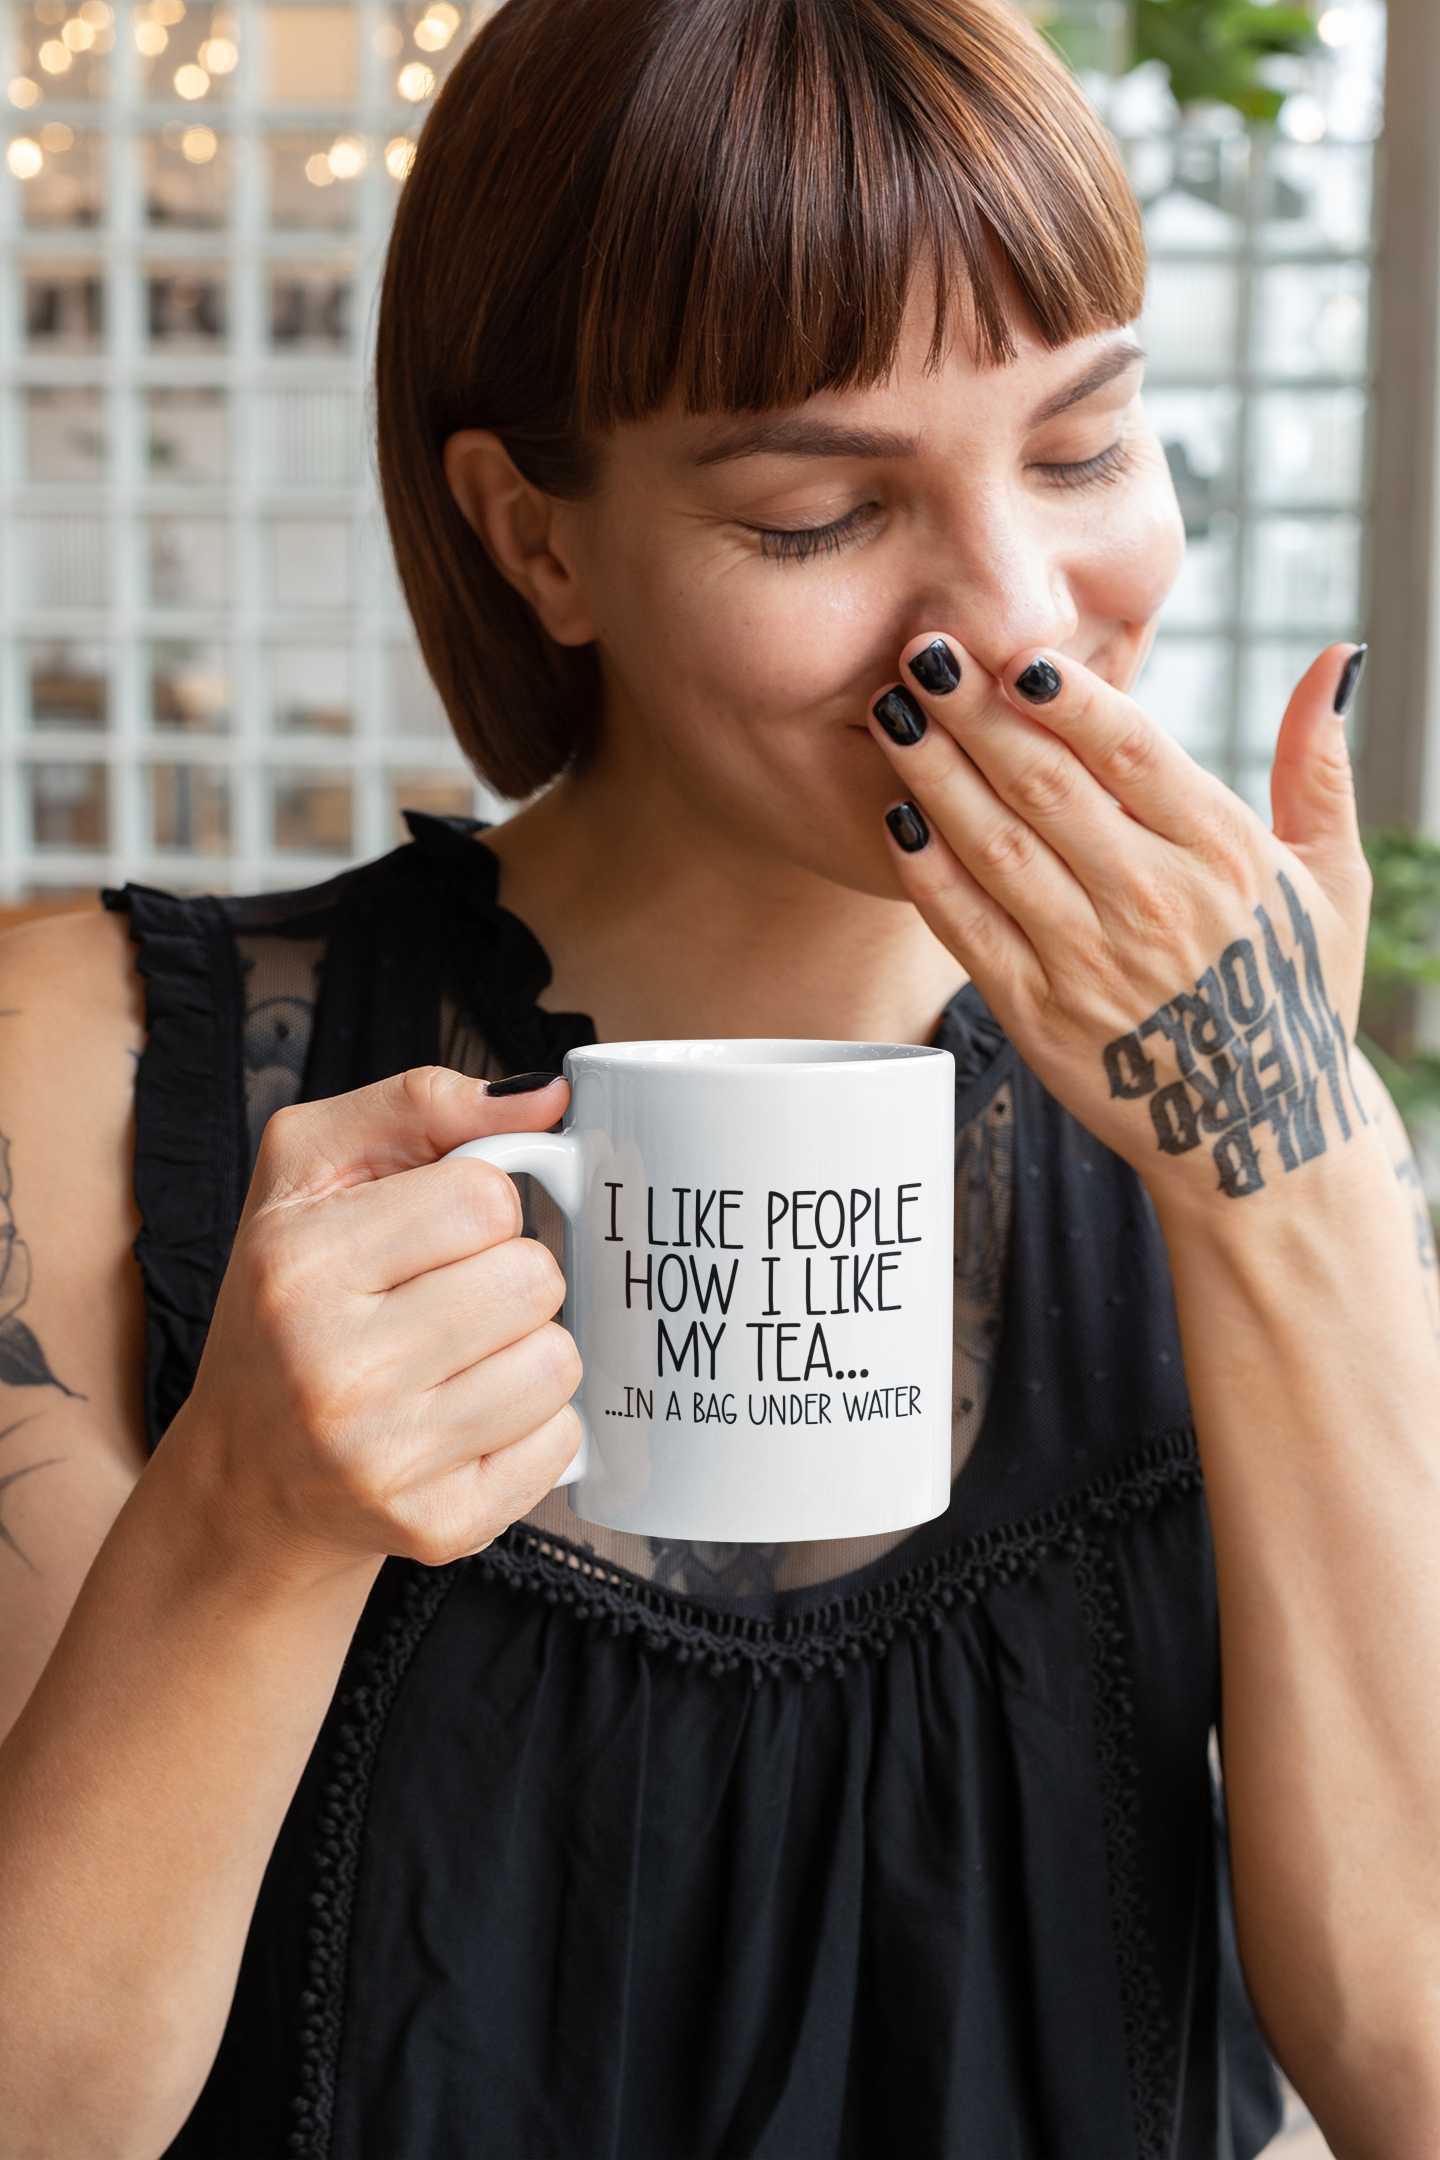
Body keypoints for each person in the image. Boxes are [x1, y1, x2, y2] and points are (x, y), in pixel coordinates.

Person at [1, 0, 1438, 2152]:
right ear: (538, 539)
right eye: (812, 513)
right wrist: (249, 1522)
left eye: (1080, 446)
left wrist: (1283, 1161)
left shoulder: (1259, 1086)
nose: (1025, 612)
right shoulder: (84, 1070)